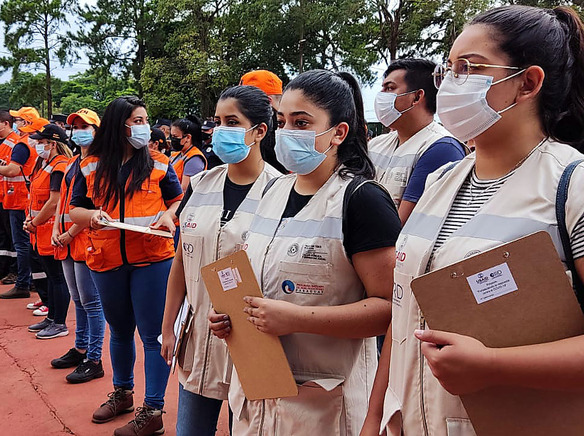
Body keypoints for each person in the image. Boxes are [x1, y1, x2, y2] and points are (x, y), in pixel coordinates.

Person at [362, 6, 584, 436]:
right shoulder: (442, 180)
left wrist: (493, 366)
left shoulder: (571, 186)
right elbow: (406, 309)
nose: (451, 84)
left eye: (470, 68)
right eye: (450, 70)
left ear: (528, 83)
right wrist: (375, 416)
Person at [210, 70, 400, 435]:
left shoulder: (361, 200)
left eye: (302, 122)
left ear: (338, 133)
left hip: (324, 407)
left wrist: (297, 319)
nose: (287, 133)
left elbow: (391, 309)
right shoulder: (270, 192)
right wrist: (232, 315)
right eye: (283, 121)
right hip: (257, 394)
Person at [161, 85, 282, 436]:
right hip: (197, 337)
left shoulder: (280, 193)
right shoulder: (200, 185)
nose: (220, 129)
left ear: (259, 131)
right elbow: (182, 262)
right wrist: (167, 327)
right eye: (217, 121)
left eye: (232, 121)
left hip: (252, 342)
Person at [70, 96, 183, 436]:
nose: (144, 126)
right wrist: (92, 216)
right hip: (106, 260)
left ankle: (153, 409)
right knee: (118, 331)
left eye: (145, 119)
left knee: (153, 336)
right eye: (137, 120)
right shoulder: (90, 165)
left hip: (152, 260)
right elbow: (75, 209)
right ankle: (122, 393)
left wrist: (168, 214)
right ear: (119, 124)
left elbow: (178, 199)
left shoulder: (160, 164)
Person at [370, 59, 466, 224]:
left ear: (416, 97)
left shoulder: (441, 148)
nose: (381, 96)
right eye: (382, 88)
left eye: (390, 88)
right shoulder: (375, 144)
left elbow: (402, 224)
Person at [51, 108, 106, 383]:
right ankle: (81, 347)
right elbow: (64, 201)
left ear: (97, 131)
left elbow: (95, 207)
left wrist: (70, 233)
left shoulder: (100, 163)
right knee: (78, 300)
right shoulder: (74, 162)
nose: (79, 130)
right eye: (76, 126)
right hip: (67, 241)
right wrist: (54, 228)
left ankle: (94, 358)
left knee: (91, 303)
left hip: (84, 241)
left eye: (86, 126)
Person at [24, 124, 73, 340]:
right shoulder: (47, 164)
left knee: (57, 277)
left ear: (52, 144)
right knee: (52, 277)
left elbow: (54, 201)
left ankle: (59, 322)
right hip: (40, 230)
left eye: (41, 142)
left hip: (50, 230)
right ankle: (52, 317)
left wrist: (35, 222)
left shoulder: (59, 166)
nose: (37, 145)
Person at [0, 116, 46, 299]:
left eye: (18, 120)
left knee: (22, 244)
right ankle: (31, 282)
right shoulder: (29, 145)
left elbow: (13, 170)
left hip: (18, 199)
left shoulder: (23, 145)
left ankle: (23, 282)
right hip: (25, 199)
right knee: (28, 244)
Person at [0, 109, 33, 285]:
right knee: (1, 236)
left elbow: (12, 170)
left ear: (6, 123)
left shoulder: (16, 143)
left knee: (17, 239)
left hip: (12, 196)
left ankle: (16, 272)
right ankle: (4, 267)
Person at [169, 115, 208, 193]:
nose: (172, 139)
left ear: (188, 137)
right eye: (171, 136)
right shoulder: (176, 154)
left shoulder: (194, 159)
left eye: (175, 136)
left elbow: (184, 190)